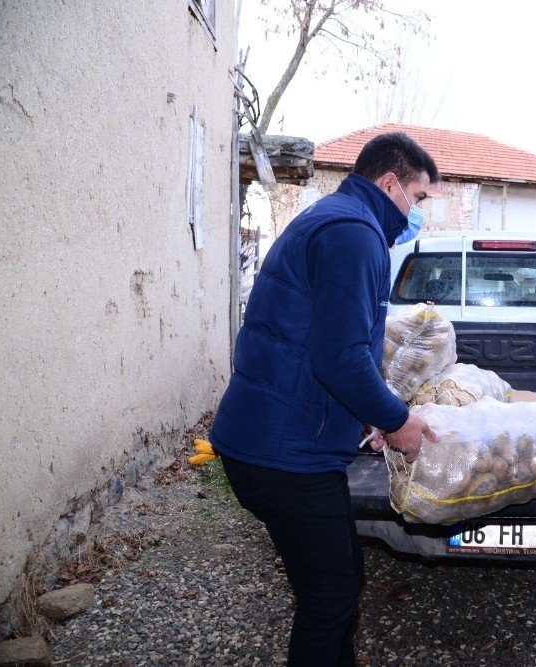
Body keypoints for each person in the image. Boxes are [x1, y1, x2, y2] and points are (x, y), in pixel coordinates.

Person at [208, 132, 441, 665]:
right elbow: (341, 358)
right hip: (285, 455)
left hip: (279, 444)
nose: (418, 211)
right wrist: (396, 419)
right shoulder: (353, 235)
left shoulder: (336, 220)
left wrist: (363, 419)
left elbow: (318, 342)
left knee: (341, 579)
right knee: (330, 595)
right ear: (390, 184)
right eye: (419, 197)